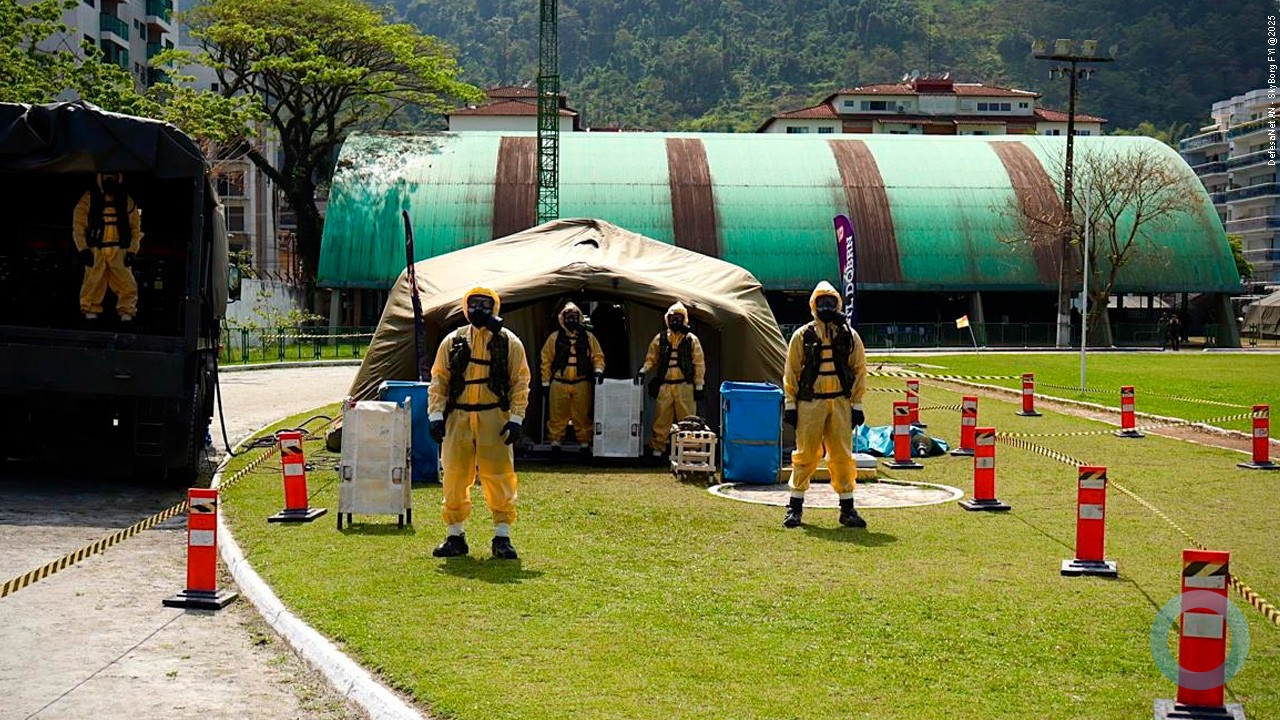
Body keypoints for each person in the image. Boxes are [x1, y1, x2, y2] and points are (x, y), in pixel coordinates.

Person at [427, 287, 531, 559]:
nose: (479, 310)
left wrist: (517, 418)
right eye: (474, 304)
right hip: (458, 417)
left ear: (495, 307)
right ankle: (455, 535)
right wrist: (436, 415)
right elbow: (439, 379)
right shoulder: (453, 340)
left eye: (486, 304)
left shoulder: (509, 342)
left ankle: (502, 536)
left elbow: (520, 381)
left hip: (494, 416)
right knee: (454, 475)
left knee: (499, 475)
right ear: (465, 307)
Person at [781, 281, 868, 529]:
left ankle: (847, 508)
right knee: (805, 454)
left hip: (840, 402)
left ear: (838, 304)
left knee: (842, 455)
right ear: (813, 305)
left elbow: (859, 368)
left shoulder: (849, 335)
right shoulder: (802, 335)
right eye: (821, 302)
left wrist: (857, 403)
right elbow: (792, 370)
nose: (826, 307)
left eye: (831, 302)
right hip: (810, 403)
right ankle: (794, 507)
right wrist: (790, 403)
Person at [635, 301, 705, 459]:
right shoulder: (660, 338)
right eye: (672, 318)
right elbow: (651, 358)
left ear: (684, 319)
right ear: (667, 319)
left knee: (688, 421)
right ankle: (657, 450)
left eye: (679, 318)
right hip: (665, 386)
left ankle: (690, 452)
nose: (675, 322)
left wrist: (699, 385)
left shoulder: (691, 339)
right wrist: (643, 371)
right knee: (661, 420)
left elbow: (699, 363)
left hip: (685, 386)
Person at [539, 302, 605, 461]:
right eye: (568, 317)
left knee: (582, 417)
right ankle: (555, 446)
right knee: (556, 416)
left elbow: (598, 356)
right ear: (562, 318)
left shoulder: (588, 337)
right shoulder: (554, 338)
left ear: (579, 318)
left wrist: (598, 371)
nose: (571, 320)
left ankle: (584, 447)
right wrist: (545, 382)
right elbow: (546, 360)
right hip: (559, 383)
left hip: (581, 382)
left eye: (574, 317)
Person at [72, 172, 142, 321]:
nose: (109, 180)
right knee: (92, 282)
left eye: (112, 176)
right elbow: (78, 225)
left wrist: (132, 251)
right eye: (106, 176)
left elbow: (136, 228)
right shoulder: (88, 198)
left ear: (119, 178)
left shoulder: (126, 200)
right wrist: (83, 248)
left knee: (127, 284)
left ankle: (127, 315)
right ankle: (90, 314)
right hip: (96, 249)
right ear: (100, 177)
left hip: (120, 250)